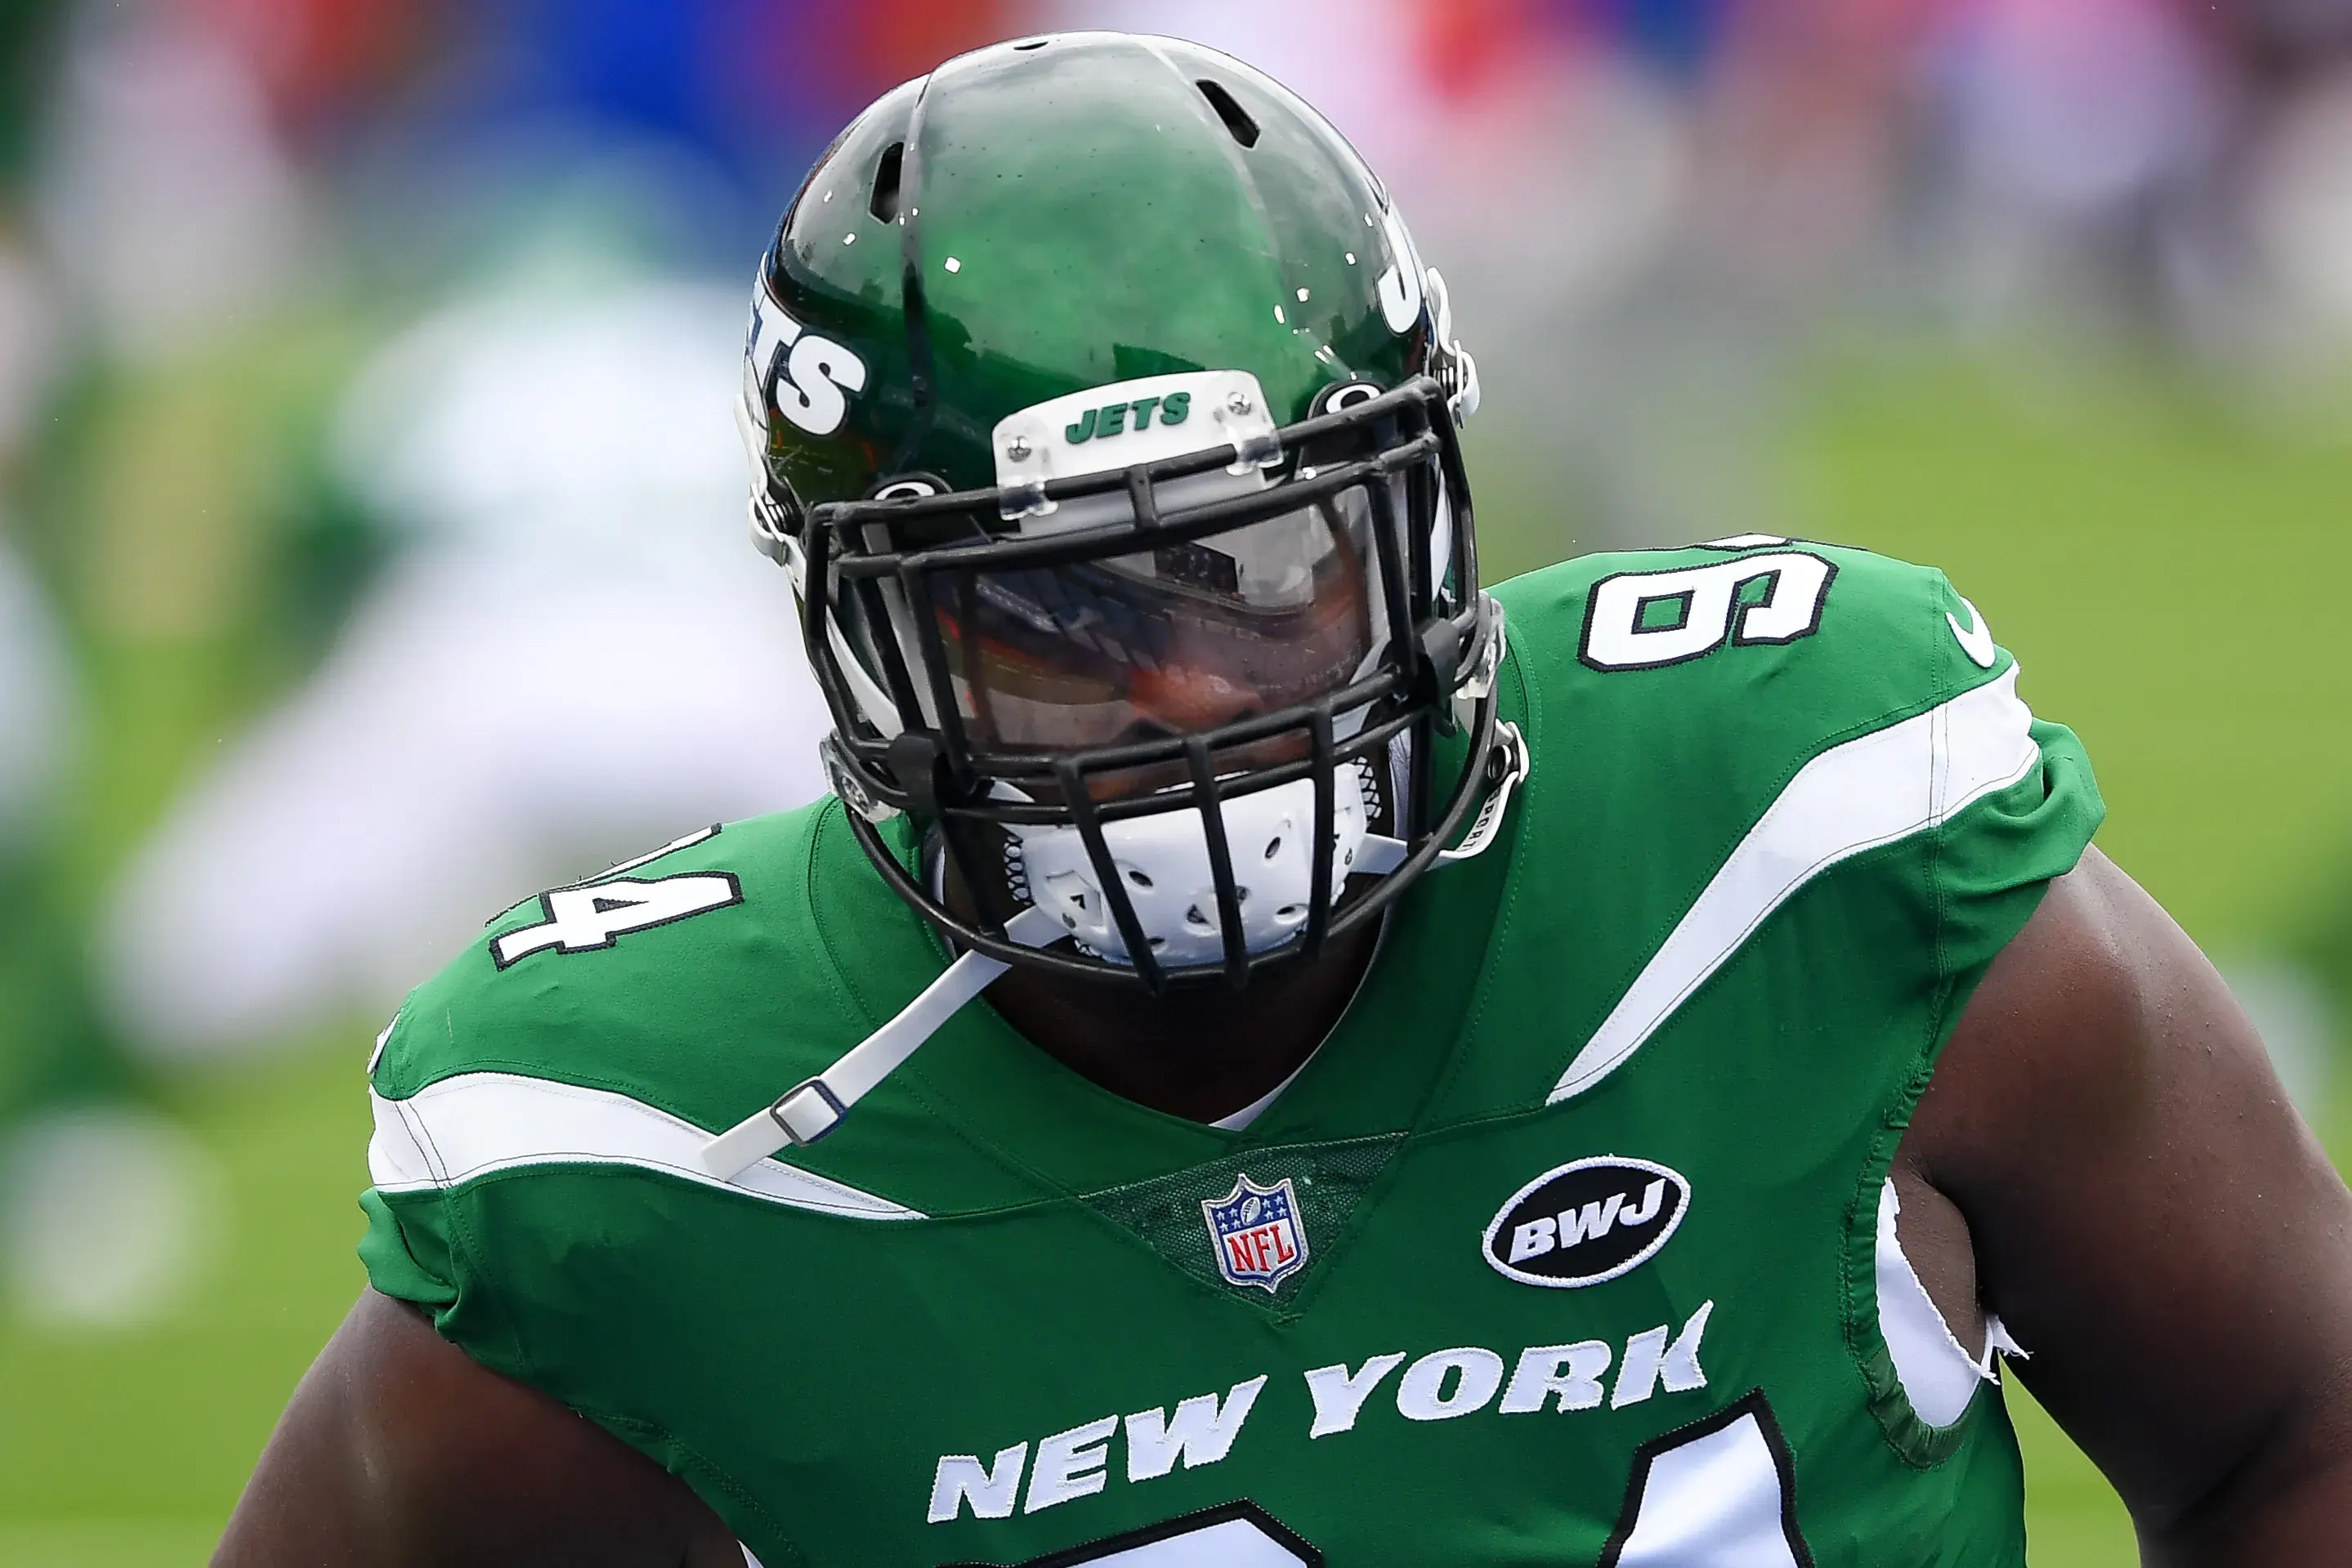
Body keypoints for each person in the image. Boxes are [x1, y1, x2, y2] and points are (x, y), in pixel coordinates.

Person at [213, 33, 2352, 1567]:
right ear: (868, 646)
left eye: (1256, 570)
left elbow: (2293, 1424)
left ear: (1419, 524)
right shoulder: (645, 1149)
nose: (1176, 686)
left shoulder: (1793, 829)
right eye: (1048, 618)